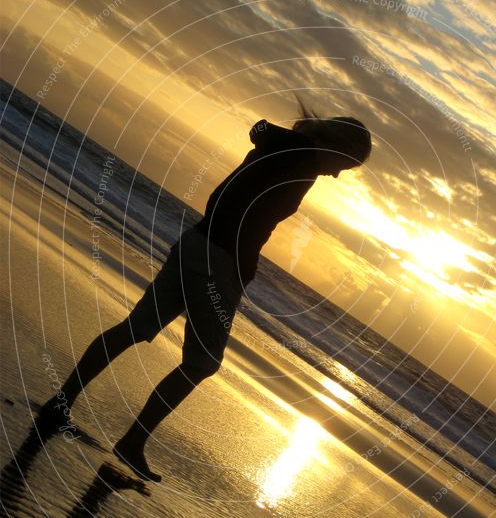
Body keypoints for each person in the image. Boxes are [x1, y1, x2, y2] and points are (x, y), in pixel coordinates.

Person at [38, 99, 371, 481]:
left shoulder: (290, 154)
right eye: (343, 165)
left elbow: (245, 161)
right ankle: (132, 441)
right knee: (201, 362)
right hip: (218, 261)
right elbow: (247, 169)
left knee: (136, 328)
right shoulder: (299, 157)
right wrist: (237, 263)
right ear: (337, 148)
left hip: (196, 242)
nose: (337, 176)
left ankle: (60, 403)